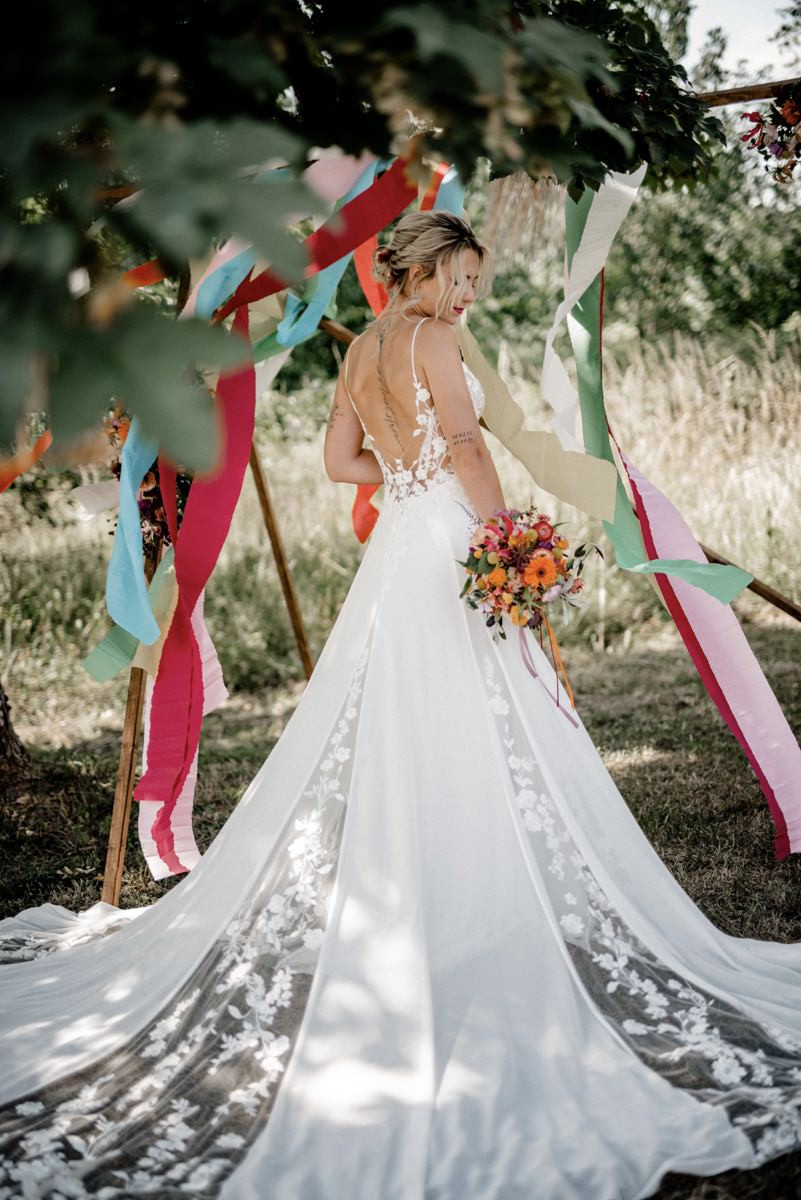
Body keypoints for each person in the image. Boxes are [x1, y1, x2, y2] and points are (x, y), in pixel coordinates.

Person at [2, 210, 801, 1200]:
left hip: (400, 554)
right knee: (482, 716)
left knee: (398, 720)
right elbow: (467, 442)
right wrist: (505, 533)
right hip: (456, 539)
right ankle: (474, 902)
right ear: (421, 272)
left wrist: (408, 480)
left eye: (473, 282)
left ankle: (419, 901)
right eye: (460, 277)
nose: (469, 295)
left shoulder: (367, 349)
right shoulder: (431, 337)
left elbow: (343, 464)